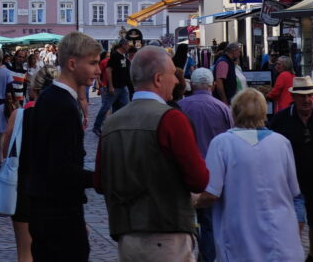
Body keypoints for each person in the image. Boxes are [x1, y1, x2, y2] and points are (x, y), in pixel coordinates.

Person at [97, 45, 209, 262]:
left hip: (126, 233)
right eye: (172, 75)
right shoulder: (170, 119)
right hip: (167, 231)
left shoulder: (111, 122)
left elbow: (100, 182)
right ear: (158, 78)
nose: (177, 81)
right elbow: (199, 179)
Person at [197, 89, 302, 262]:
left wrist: (192, 201)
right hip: (281, 238)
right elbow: (293, 190)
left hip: (240, 239)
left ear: (235, 111)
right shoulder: (281, 142)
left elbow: (210, 193)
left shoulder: (222, 143)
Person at [24, 32, 101, 262]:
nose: (98, 70)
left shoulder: (50, 97)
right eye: (93, 63)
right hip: (58, 213)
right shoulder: (63, 104)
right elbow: (61, 168)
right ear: (72, 63)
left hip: (48, 211)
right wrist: (100, 179)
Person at [269, 75, 313, 262]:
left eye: (310, 96)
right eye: (302, 96)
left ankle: (312, 257)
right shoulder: (281, 120)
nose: (306, 100)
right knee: (294, 225)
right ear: (294, 97)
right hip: (291, 184)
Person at [1, 65, 56, 262]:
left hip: (23, 187)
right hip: (53, 190)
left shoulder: (19, 115)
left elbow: (6, 152)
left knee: (25, 251)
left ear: (34, 89)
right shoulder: (63, 116)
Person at [178, 67, 232, 262]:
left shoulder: (181, 107)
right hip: (213, 173)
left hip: (186, 171)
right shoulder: (223, 108)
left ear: (192, 85)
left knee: (185, 220)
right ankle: (207, 258)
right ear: (213, 85)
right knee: (209, 223)